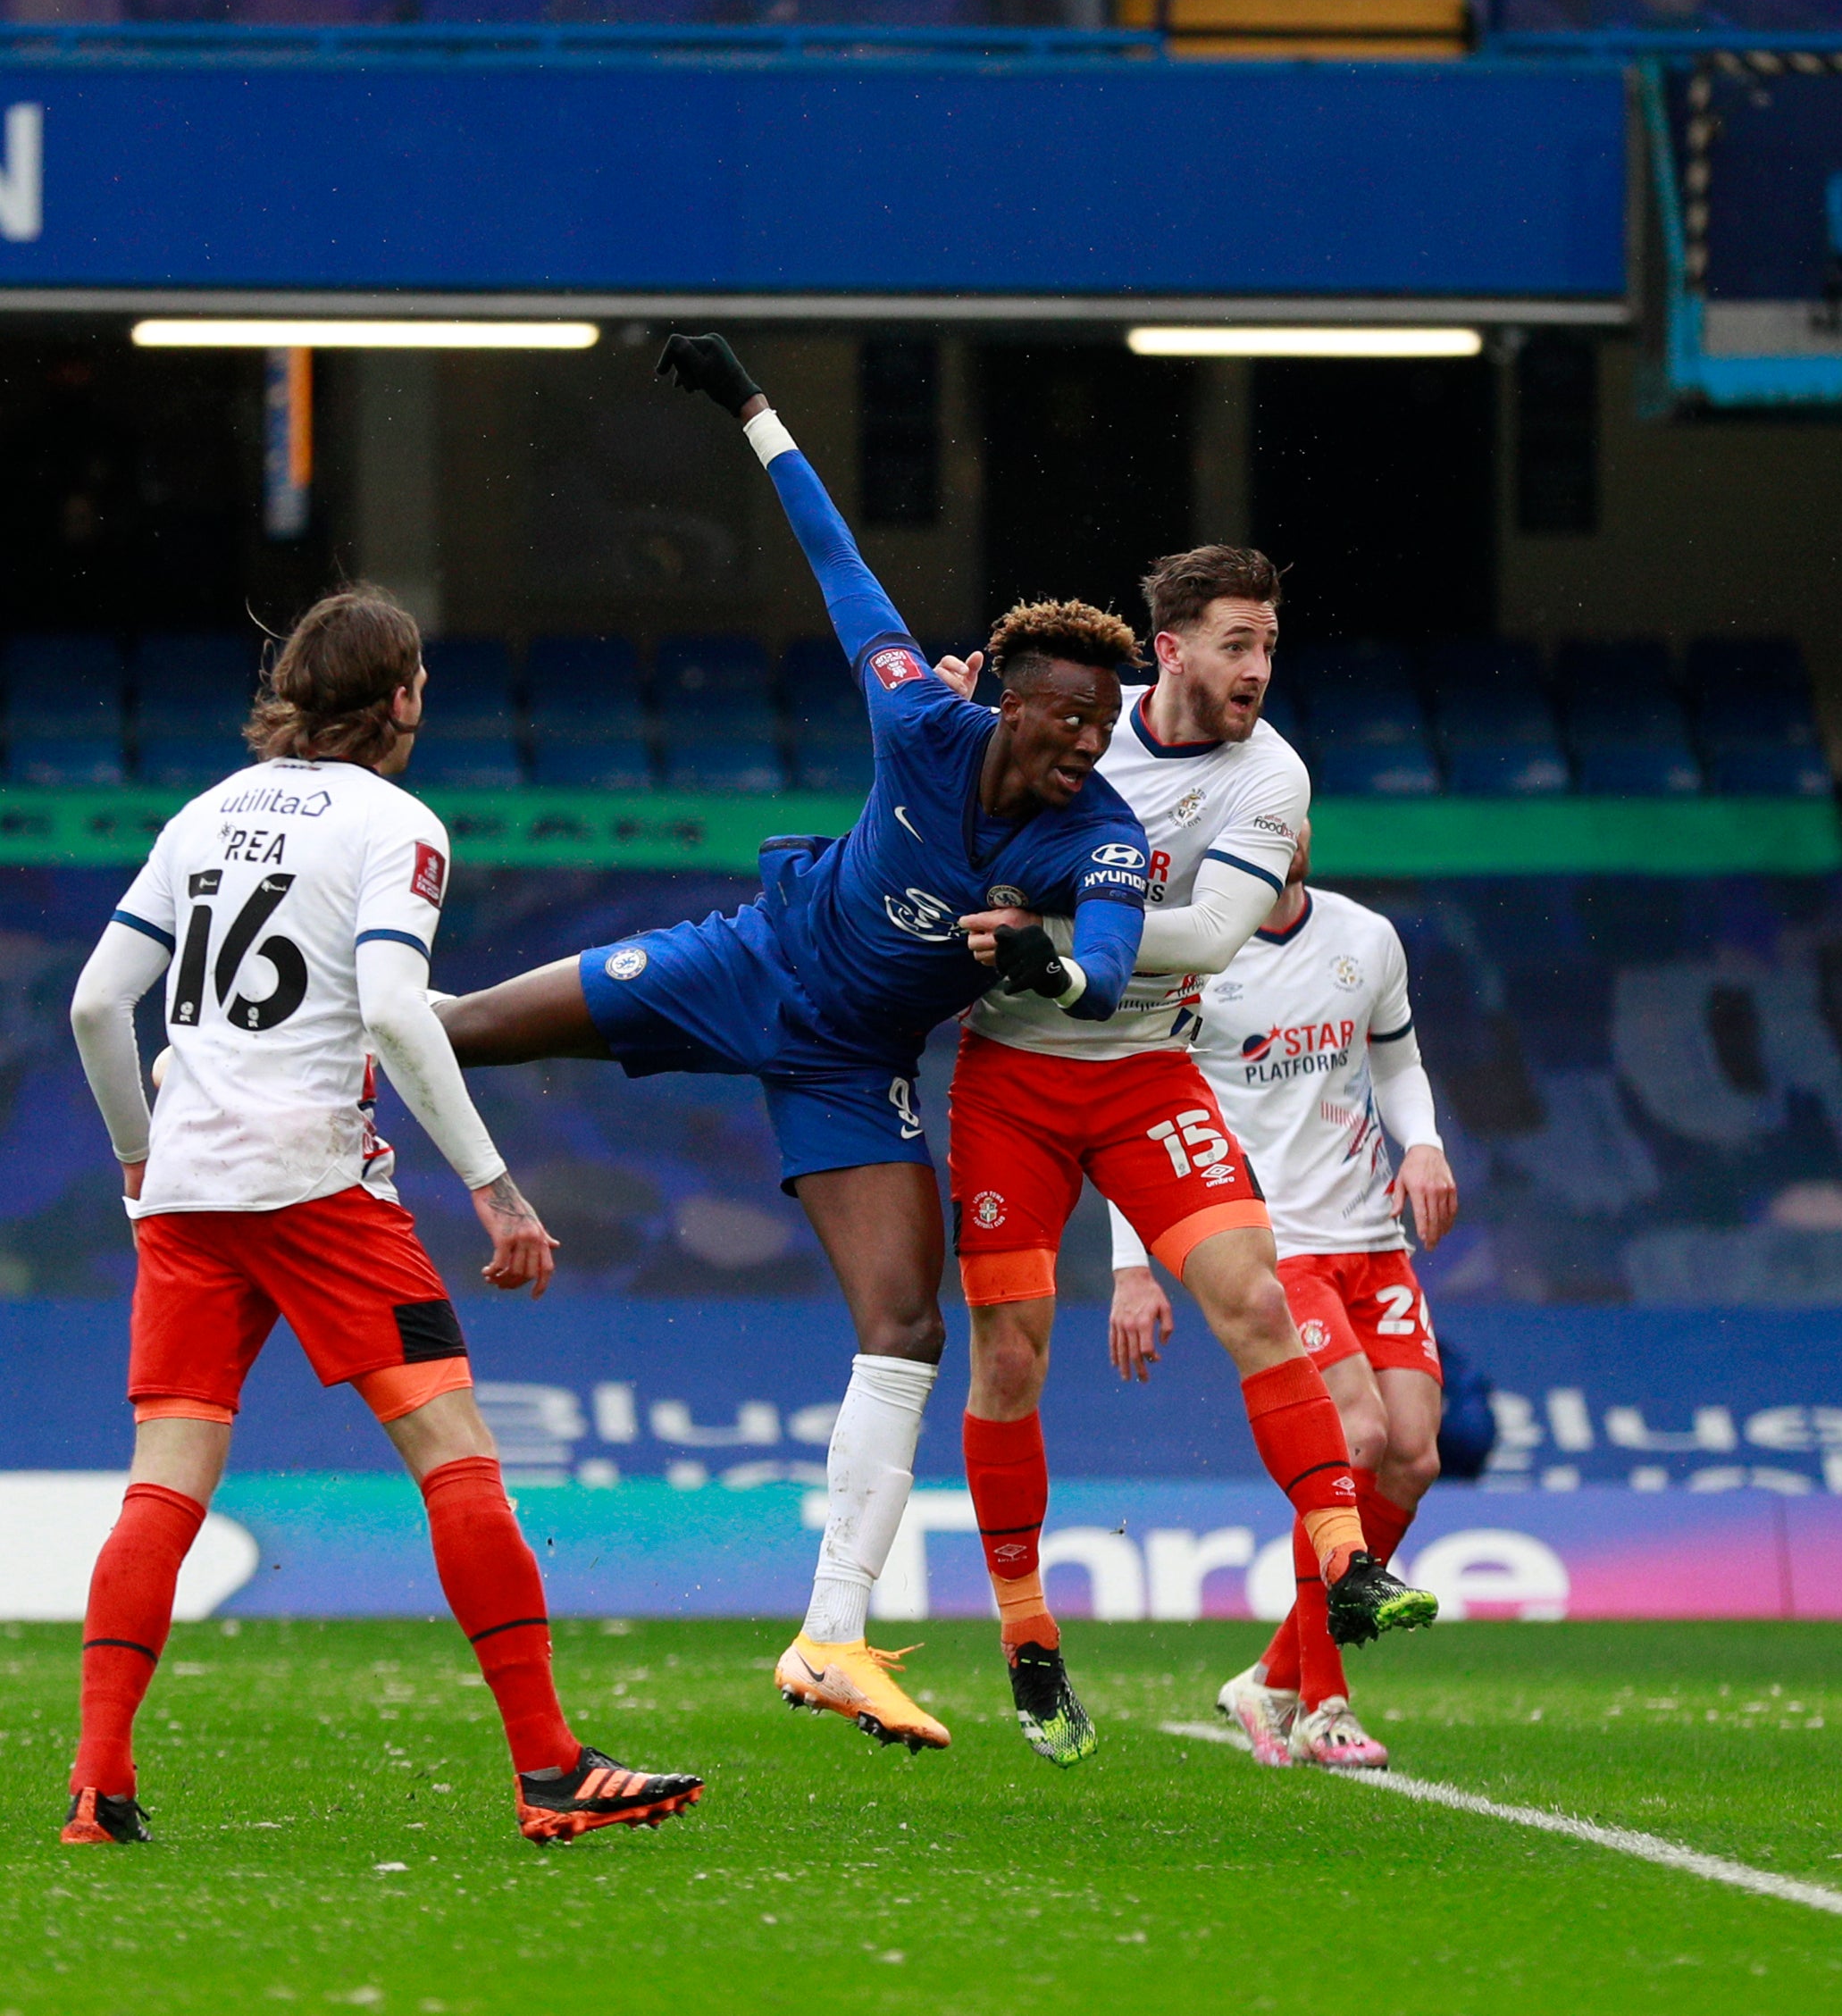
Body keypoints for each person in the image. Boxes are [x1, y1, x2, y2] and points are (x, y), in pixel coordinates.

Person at [433, 333, 1151, 1754]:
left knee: (907, 1325)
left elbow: (1113, 965)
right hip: (743, 959)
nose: (1088, 744)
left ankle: (830, 1636)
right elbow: (839, 567)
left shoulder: (1102, 838)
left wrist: (1048, 960)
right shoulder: (919, 719)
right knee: (460, 1028)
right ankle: (288, 1072)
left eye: (1106, 724)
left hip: (854, 1068)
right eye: (1070, 717)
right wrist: (752, 403)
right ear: (1009, 703)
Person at [63, 588, 704, 1845]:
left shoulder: (202, 813)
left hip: (190, 1197)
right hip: (316, 1189)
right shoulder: (395, 821)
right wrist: (494, 1184)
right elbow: (400, 1013)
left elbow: (95, 1006)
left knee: (164, 1488)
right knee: (456, 1459)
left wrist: (139, 1161)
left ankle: (99, 1784)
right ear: (400, 694)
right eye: (417, 680)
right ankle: (550, 1767)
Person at [932, 553, 1437, 1767]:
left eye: (1269, 642)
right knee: (1009, 1352)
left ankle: (1342, 1564)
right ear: (1169, 648)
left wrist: (1038, 932)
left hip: (1150, 1069)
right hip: (1010, 1078)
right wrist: (946, 736)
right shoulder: (1074, 731)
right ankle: (1026, 1637)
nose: (1257, 666)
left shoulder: (1272, 777)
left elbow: (1211, 932)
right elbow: (934, 834)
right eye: (1234, 642)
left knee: (1256, 1296)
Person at [1101, 829, 1457, 1770]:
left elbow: (1396, 1061)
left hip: (1372, 1242)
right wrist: (1131, 1266)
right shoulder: (1186, 957)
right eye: (1261, 824)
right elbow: (1129, 1111)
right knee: (1356, 1437)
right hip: (1271, 1246)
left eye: (1290, 816)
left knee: (1413, 1454)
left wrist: (1421, 1141)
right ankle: (1324, 1703)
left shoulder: (1365, 936)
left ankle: (1271, 1676)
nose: (1284, 836)